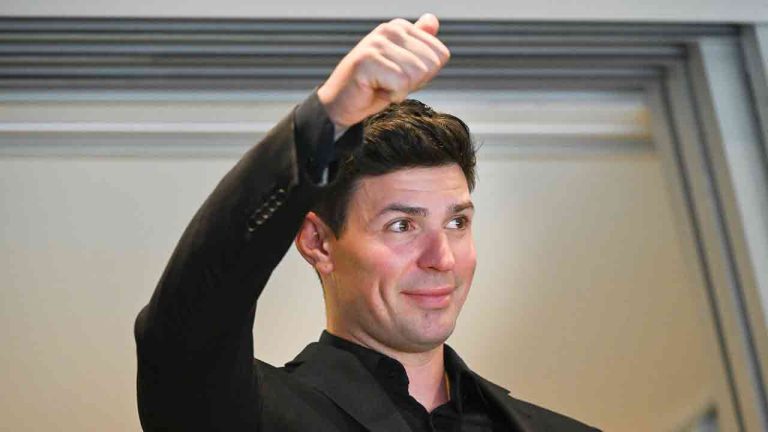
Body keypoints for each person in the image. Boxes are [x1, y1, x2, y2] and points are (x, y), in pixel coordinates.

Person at [134, 13, 599, 432]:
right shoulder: (254, 414)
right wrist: (326, 119)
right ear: (318, 241)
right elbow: (181, 335)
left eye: (457, 223)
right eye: (402, 226)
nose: (442, 259)